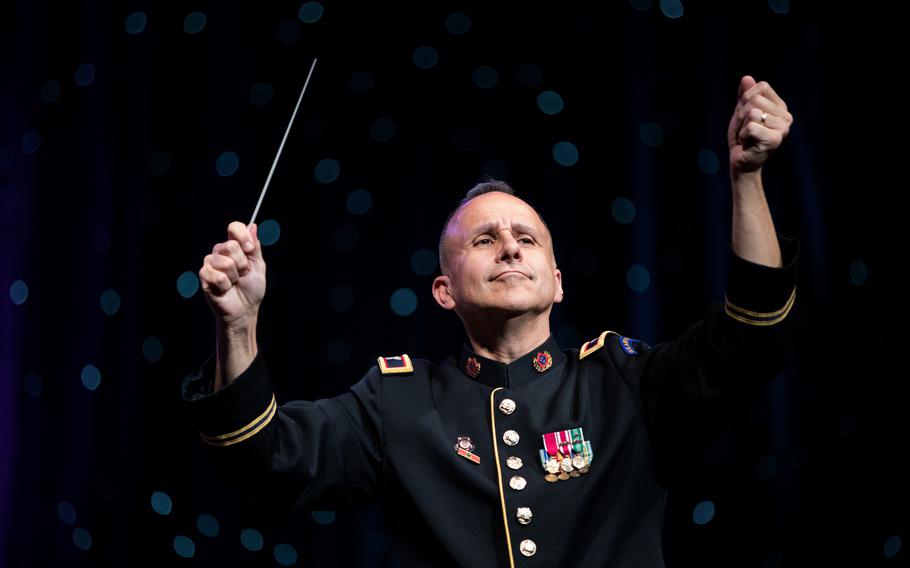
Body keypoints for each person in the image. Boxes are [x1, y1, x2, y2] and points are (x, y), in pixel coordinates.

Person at [183, 75, 799, 567]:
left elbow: (753, 338)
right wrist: (237, 326)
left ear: (557, 282)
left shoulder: (624, 381)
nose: (509, 247)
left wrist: (747, 179)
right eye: (484, 239)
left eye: (526, 238)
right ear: (444, 291)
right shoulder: (396, 402)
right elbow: (260, 457)